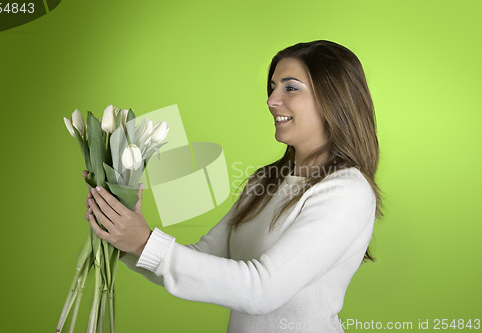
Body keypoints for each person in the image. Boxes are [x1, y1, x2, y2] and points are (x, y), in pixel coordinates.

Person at [84, 40, 383, 332]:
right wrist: (124, 240)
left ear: (335, 99)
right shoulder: (265, 181)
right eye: (272, 87)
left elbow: (262, 289)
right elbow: (203, 259)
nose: (271, 100)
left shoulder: (347, 191)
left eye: (290, 87)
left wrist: (144, 241)